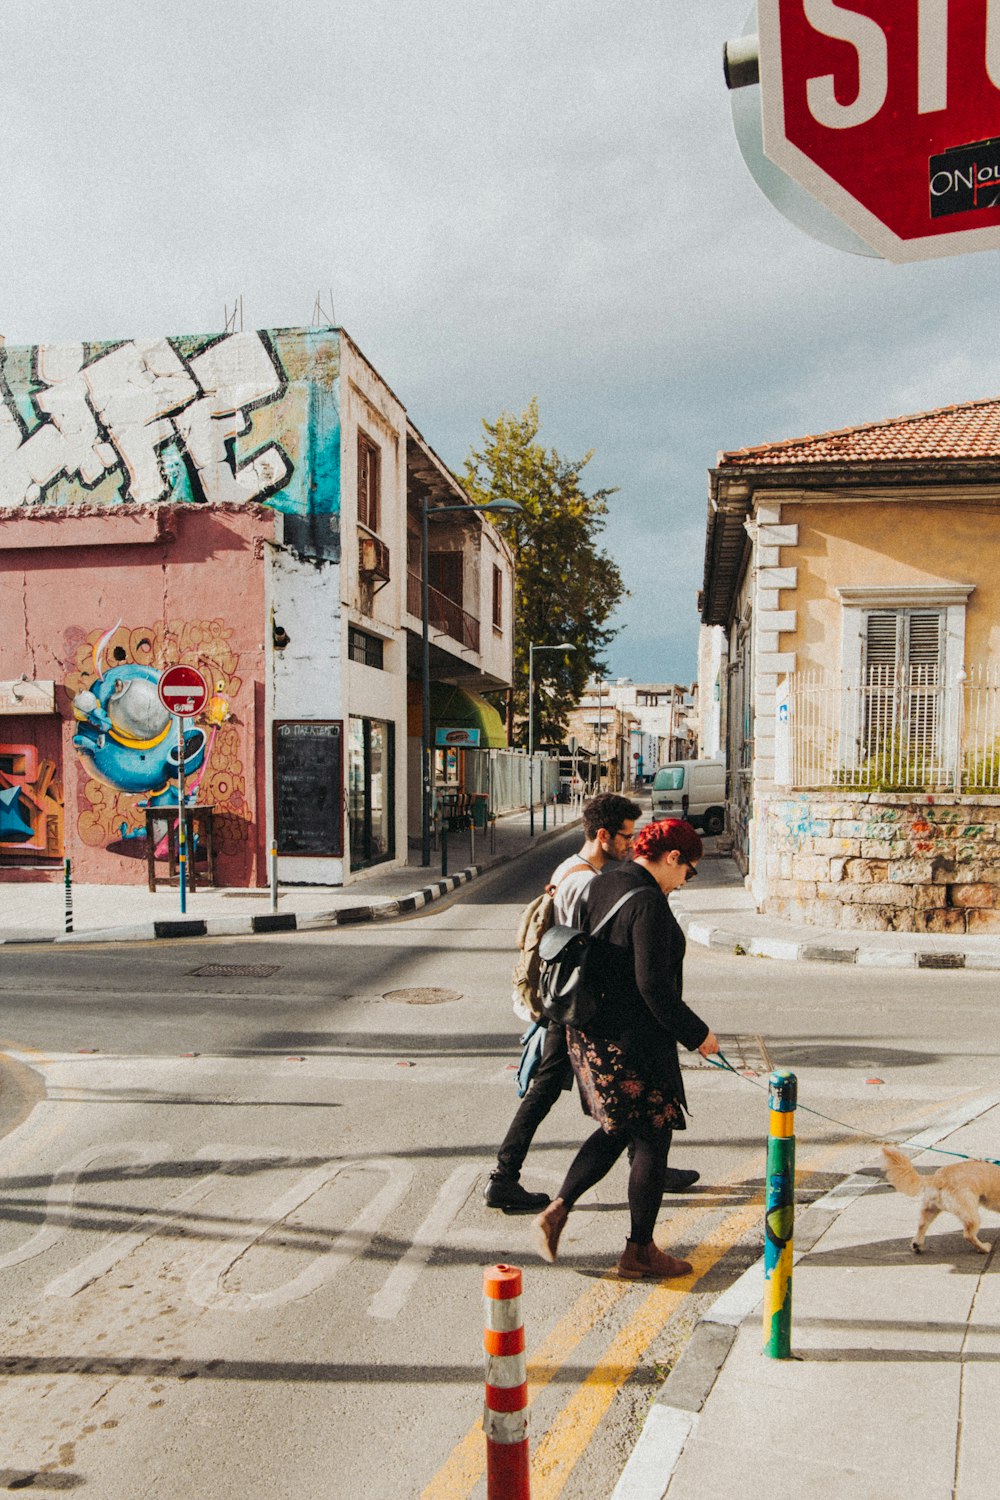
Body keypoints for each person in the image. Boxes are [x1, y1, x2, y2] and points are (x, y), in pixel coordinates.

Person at [532, 818, 719, 1279]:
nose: (685, 881)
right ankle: (639, 1250)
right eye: (688, 871)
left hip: (592, 1033)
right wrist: (698, 1035)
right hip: (633, 1041)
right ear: (672, 858)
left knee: (617, 1129)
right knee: (653, 1137)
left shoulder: (605, 882)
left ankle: (557, 1209)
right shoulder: (650, 904)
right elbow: (653, 986)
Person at [483, 793, 643, 1211]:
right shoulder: (584, 881)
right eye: (625, 837)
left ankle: (646, 1162)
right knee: (605, 1081)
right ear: (603, 835)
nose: (630, 844)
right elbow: (595, 946)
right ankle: (503, 1176)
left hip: (570, 1000)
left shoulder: (572, 870)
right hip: (577, 1003)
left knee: (600, 1083)